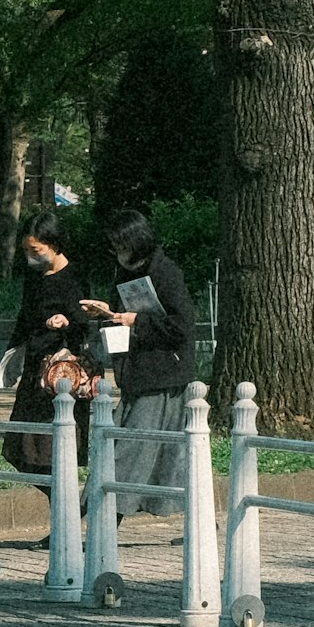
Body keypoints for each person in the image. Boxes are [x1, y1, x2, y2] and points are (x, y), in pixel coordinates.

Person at [99, 209, 198, 492]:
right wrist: (108, 315)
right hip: (136, 371)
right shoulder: (123, 273)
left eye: (121, 247)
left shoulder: (165, 273)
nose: (118, 253)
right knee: (134, 449)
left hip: (163, 375)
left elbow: (182, 325)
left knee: (130, 451)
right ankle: (102, 516)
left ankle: (100, 515)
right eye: (115, 248)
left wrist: (137, 321)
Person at [3, 211, 99, 469]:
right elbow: (25, 318)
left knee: (52, 453)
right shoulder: (33, 277)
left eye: (36, 249)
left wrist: (65, 322)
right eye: (26, 250)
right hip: (34, 369)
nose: (31, 256)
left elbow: (82, 325)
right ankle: (61, 504)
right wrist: (11, 357)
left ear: (54, 245)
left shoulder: (74, 277)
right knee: (18, 450)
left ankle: (65, 505)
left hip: (60, 374)